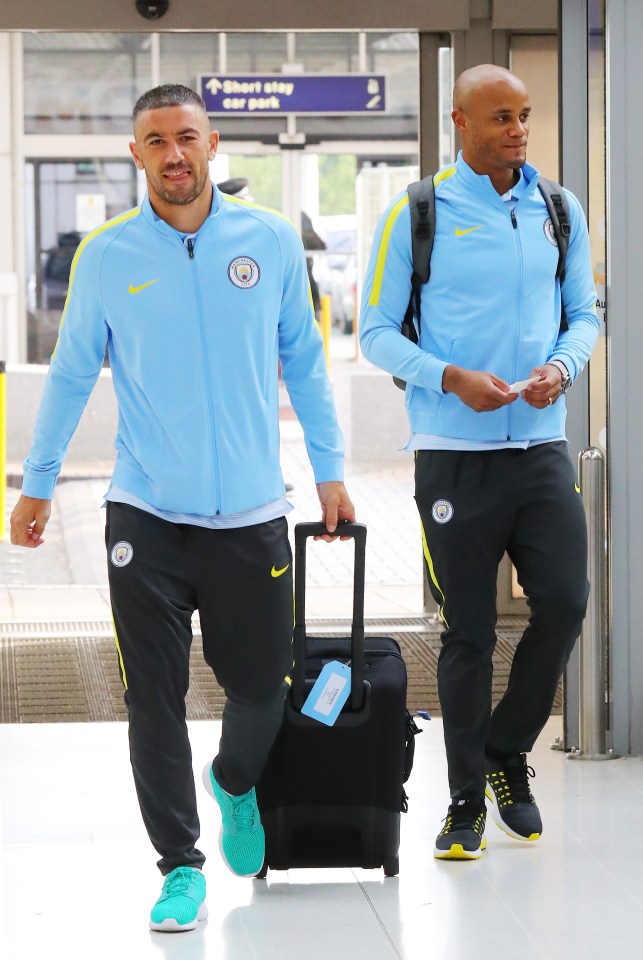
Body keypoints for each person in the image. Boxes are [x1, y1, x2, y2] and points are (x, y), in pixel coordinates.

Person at [10, 84, 355, 929]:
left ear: (212, 145)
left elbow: (305, 363)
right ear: (137, 155)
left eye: (187, 137)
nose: (173, 153)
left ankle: (233, 780)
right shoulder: (107, 255)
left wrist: (331, 470)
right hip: (146, 516)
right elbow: (68, 373)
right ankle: (180, 866)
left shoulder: (269, 241)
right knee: (151, 699)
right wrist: (39, 482)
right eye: (156, 140)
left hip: (249, 515)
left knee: (262, 692)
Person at [360, 64, 598, 861]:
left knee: (563, 603)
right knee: (466, 631)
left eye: (524, 115)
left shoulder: (557, 209)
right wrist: (449, 378)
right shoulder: (419, 212)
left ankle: (504, 749)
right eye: (500, 117)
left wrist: (562, 369)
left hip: (539, 447)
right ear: (459, 123)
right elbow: (376, 332)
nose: (518, 130)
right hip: (451, 458)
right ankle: (463, 801)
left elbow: (582, 314)